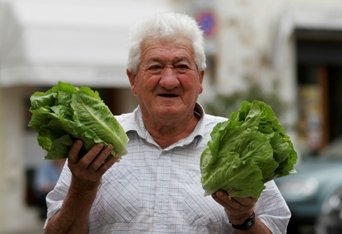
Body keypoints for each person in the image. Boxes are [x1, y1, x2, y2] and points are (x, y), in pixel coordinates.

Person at [44, 12, 291, 233]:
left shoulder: (236, 142)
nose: (169, 80)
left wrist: (243, 218)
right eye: (155, 67)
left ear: (200, 78)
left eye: (182, 66)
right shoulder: (97, 146)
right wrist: (82, 189)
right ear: (133, 79)